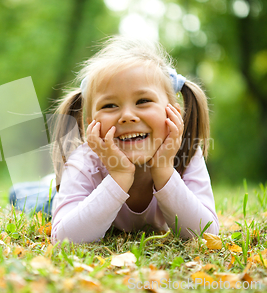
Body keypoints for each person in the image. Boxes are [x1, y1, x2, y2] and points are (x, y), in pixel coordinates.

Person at [48, 36, 219, 244]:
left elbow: (206, 233)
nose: (128, 115)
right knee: (34, 198)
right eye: (110, 105)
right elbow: (64, 240)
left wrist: (163, 169)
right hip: (61, 200)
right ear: (92, 122)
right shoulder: (84, 161)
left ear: (172, 112)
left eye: (143, 101)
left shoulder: (185, 153)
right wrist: (119, 175)